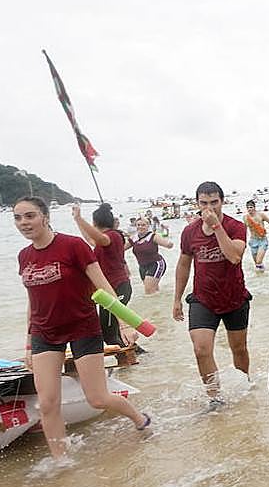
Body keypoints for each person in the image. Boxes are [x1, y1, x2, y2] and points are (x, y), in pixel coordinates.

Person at [14, 196, 150, 458]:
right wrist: (29, 342)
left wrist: (123, 322)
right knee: (47, 403)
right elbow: (33, 300)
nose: (23, 223)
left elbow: (104, 286)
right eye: (18, 218)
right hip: (45, 333)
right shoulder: (24, 256)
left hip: (82, 327)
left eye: (29, 216)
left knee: (97, 398)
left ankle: (138, 417)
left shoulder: (73, 246)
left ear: (45, 217)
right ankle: (61, 462)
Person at [172, 181, 251, 403]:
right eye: (204, 202)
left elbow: (234, 257)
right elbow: (184, 264)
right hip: (203, 299)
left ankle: (244, 387)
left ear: (222, 201)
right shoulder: (189, 231)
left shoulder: (236, 226)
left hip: (234, 297)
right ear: (197, 203)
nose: (209, 208)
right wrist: (177, 299)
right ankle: (215, 398)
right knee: (201, 350)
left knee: (239, 349)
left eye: (214, 202)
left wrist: (217, 227)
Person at [72, 203, 132, 347]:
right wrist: (77, 220)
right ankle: (138, 358)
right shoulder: (103, 240)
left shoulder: (114, 235)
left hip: (117, 288)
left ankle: (135, 359)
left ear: (95, 222)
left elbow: (100, 239)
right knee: (113, 332)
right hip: (110, 290)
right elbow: (91, 240)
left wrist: (80, 219)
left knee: (109, 334)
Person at [129, 215, 173, 295]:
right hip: (142, 266)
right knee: (153, 290)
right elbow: (120, 249)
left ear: (148, 226)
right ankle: (161, 304)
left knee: (149, 290)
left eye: (143, 225)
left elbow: (168, 244)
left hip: (156, 264)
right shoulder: (133, 238)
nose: (140, 227)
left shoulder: (153, 236)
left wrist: (169, 243)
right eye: (138, 225)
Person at [243, 200, 269, 270]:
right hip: (253, 241)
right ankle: (262, 277)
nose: (249, 209)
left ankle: (263, 275)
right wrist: (243, 241)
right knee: (257, 264)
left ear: (254, 207)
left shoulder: (261, 215)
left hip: (262, 240)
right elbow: (244, 230)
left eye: (251, 207)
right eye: (248, 208)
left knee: (258, 261)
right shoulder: (245, 217)